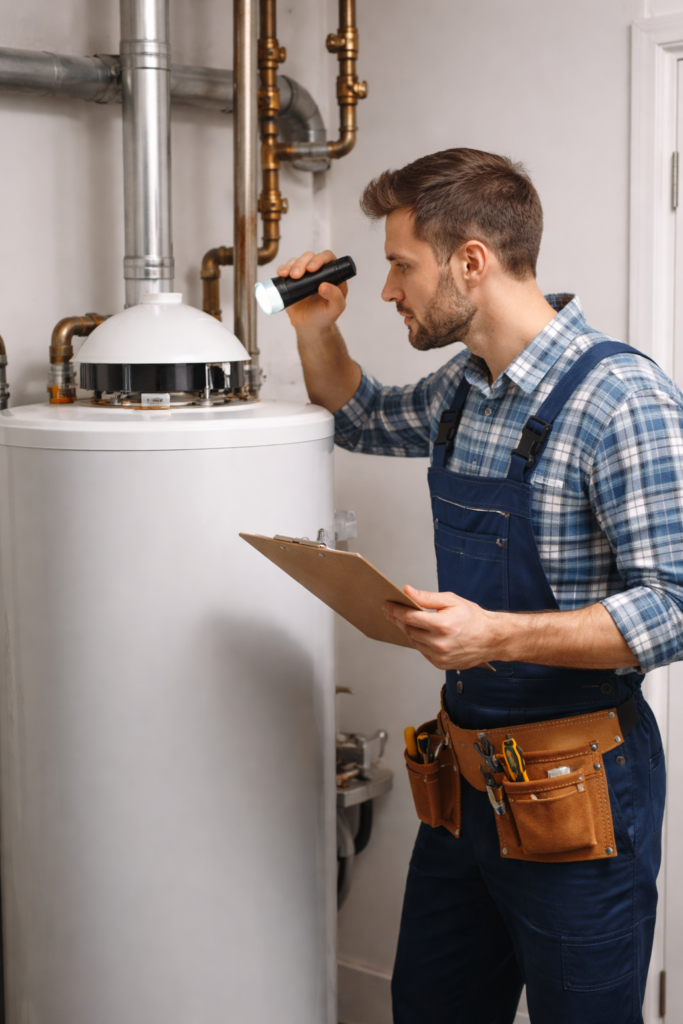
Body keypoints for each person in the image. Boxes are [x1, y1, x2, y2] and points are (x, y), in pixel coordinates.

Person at [277, 148, 680, 1024]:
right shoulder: (467, 388)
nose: (387, 290)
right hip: (464, 790)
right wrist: (315, 327)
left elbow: (671, 606)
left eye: (399, 265)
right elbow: (361, 415)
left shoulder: (620, 398)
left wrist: (497, 635)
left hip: (579, 793)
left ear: (470, 261)